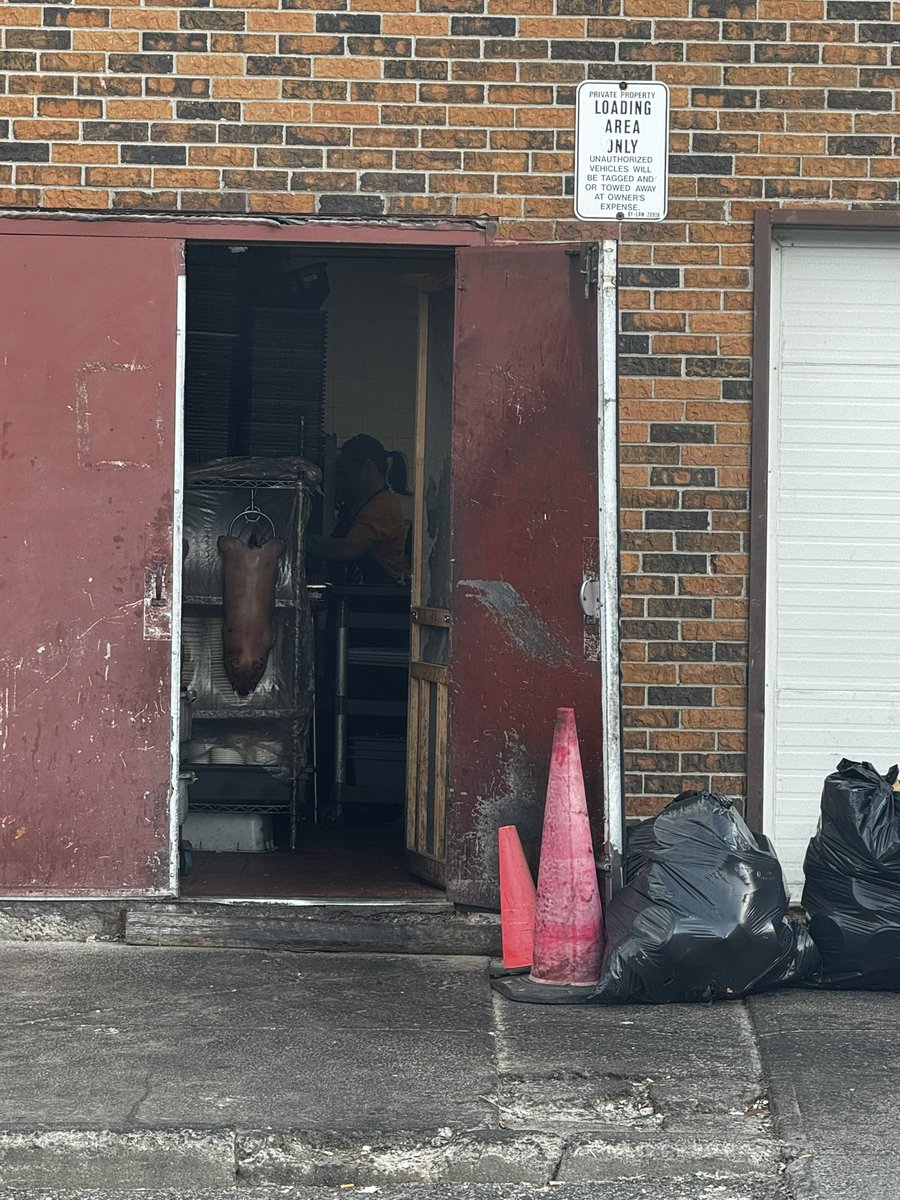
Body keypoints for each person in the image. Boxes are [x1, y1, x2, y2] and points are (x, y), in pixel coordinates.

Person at [308, 434, 411, 586]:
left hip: (373, 600)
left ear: (368, 468)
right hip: (357, 597)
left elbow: (349, 549)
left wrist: (308, 543)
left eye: (345, 473)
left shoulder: (383, 507)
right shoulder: (362, 502)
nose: (343, 480)